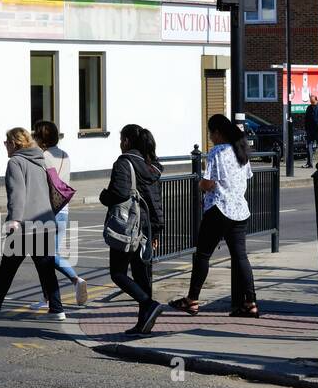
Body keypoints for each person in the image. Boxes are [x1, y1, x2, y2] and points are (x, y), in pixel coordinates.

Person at [169, 114, 259, 321]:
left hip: (219, 208)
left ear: (217, 132)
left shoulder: (217, 152)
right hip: (239, 210)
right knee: (240, 257)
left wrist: (200, 185)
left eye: (210, 133)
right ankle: (250, 302)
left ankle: (192, 300)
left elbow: (209, 183)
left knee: (202, 255)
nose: (210, 138)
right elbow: (246, 178)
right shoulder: (241, 151)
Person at [0, 127, 66, 321]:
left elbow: (18, 193)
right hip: (44, 221)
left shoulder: (16, 162)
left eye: (7, 142)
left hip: (25, 225)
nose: (5, 146)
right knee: (46, 269)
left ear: (15, 144)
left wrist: (14, 219)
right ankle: (57, 309)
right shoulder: (40, 160)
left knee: (7, 268)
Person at [101, 124, 166, 335]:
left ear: (127, 141)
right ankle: (143, 323)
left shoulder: (124, 163)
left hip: (128, 227)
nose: (120, 144)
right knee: (142, 275)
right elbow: (155, 200)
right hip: (147, 227)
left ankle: (148, 305)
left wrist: (104, 196)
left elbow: (119, 193)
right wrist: (156, 230)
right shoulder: (151, 166)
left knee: (118, 273)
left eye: (121, 139)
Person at [33, 120, 89, 307]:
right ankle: (47, 297)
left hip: (46, 210)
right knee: (47, 255)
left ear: (41, 138)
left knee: (46, 255)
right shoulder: (65, 155)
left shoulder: (42, 156)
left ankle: (75, 279)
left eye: (35, 134)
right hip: (63, 208)